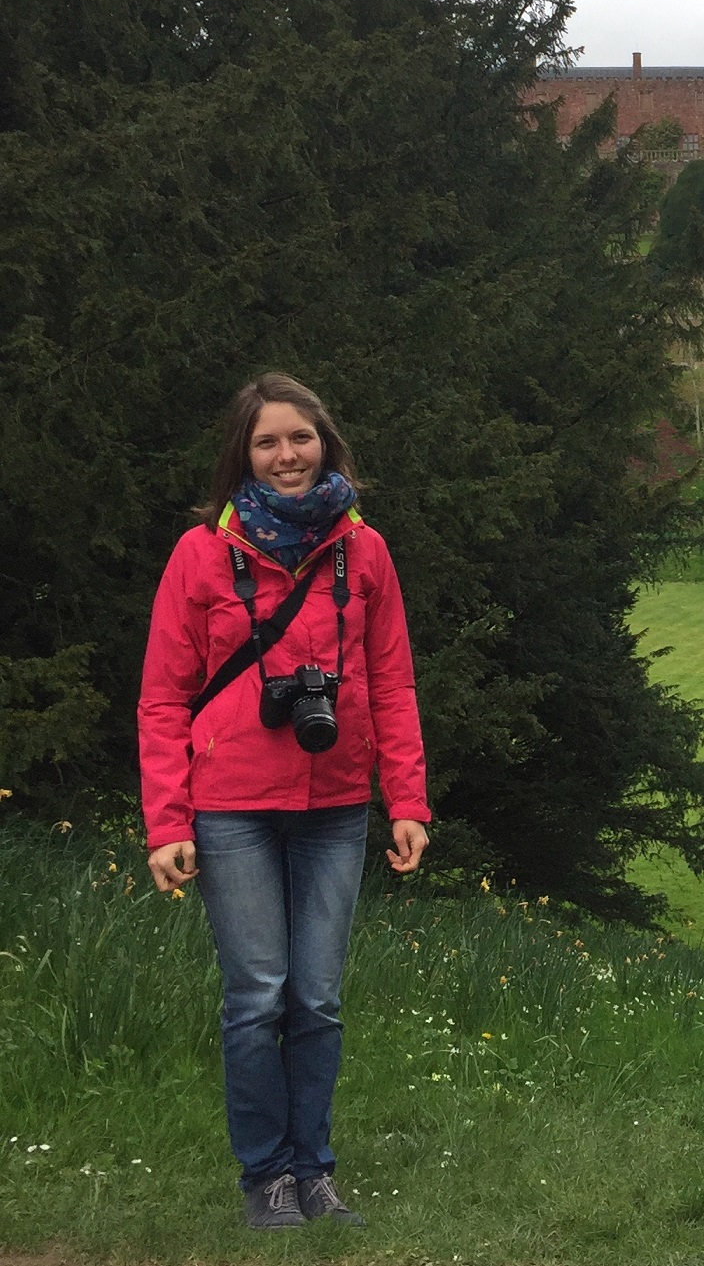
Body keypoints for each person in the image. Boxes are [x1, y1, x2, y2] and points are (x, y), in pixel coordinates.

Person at [139, 373, 430, 1231]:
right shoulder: (201, 553)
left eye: (299, 438)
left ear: (325, 443)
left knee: (318, 996)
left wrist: (406, 799)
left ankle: (316, 1169)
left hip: (337, 802)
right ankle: (265, 1174)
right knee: (257, 993)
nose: (286, 455)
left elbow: (393, 679)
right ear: (244, 454)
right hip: (229, 805)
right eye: (267, 441)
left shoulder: (362, 551)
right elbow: (162, 697)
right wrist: (167, 822)